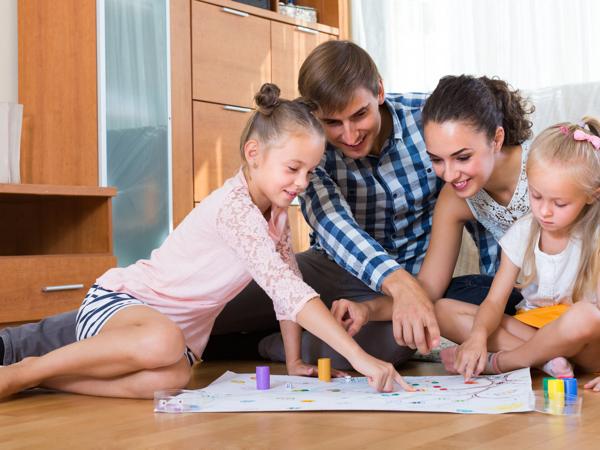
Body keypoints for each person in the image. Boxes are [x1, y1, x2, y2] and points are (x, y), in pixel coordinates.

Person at [0, 41, 503, 370]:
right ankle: (20, 345)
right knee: (208, 299)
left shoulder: (431, 125)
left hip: (405, 282)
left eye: (360, 116)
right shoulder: (309, 150)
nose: (348, 135)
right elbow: (329, 222)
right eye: (333, 123)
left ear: (379, 94)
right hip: (339, 267)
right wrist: (396, 280)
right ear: (312, 116)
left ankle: (258, 349)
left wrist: (413, 289)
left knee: (393, 343)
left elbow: (478, 190)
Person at [0, 84, 408, 399]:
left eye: (309, 172)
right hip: (126, 309)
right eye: (292, 168)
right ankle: (23, 370)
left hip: (176, 342)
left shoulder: (278, 216)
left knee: (175, 376)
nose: (302, 183)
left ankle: (48, 381)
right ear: (254, 154)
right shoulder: (234, 209)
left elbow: (287, 290)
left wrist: (296, 359)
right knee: (163, 342)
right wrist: (360, 357)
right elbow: (292, 293)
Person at [330, 75, 532, 338]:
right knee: (441, 308)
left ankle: (537, 350)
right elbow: (426, 291)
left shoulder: (543, 165)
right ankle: (549, 350)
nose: (449, 175)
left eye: (462, 157)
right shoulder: (454, 198)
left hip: (577, 297)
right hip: (524, 300)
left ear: (496, 139)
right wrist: (366, 309)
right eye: (437, 160)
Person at [434, 117, 600, 383]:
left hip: (584, 345)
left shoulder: (594, 237)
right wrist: (477, 337)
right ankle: (546, 360)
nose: (544, 211)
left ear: (592, 195)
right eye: (536, 196)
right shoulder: (524, 231)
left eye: (559, 203)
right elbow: (495, 301)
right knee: (442, 310)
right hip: (532, 328)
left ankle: (503, 362)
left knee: (586, 316)